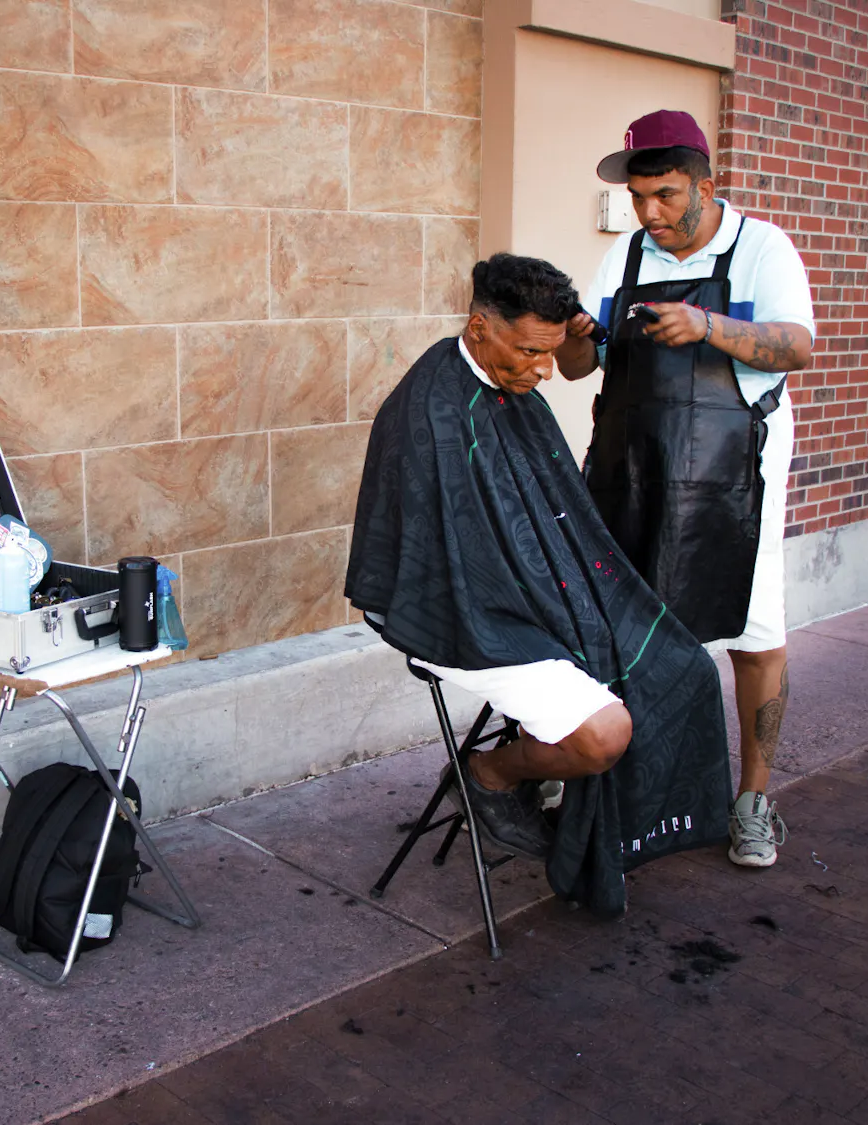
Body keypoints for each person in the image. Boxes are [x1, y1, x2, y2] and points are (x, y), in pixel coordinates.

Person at [346, 253, 731, 917]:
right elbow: (454, 562)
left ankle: (568, 796)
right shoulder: (431, 415)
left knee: (684, 667)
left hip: (530, 595)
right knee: (603, 733)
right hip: (457, 613)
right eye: (529, 351)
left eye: (550, 352)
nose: (544, 369)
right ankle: (489, 777)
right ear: (478, 330)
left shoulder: (507, 383)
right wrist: (557, 609)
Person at [555, 110, 816, 870]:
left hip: (734, 472)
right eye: (639, 198)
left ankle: (753, 801)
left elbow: (797, 345)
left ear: (709, 184)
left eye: (667, 196)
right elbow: (583, 367)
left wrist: (706, 325)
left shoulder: (763, 247)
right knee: (613, 624)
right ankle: (594, 775)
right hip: (632, 465)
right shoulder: (628, 256)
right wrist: (576, 336)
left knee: (752, 628)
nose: (651, 214)